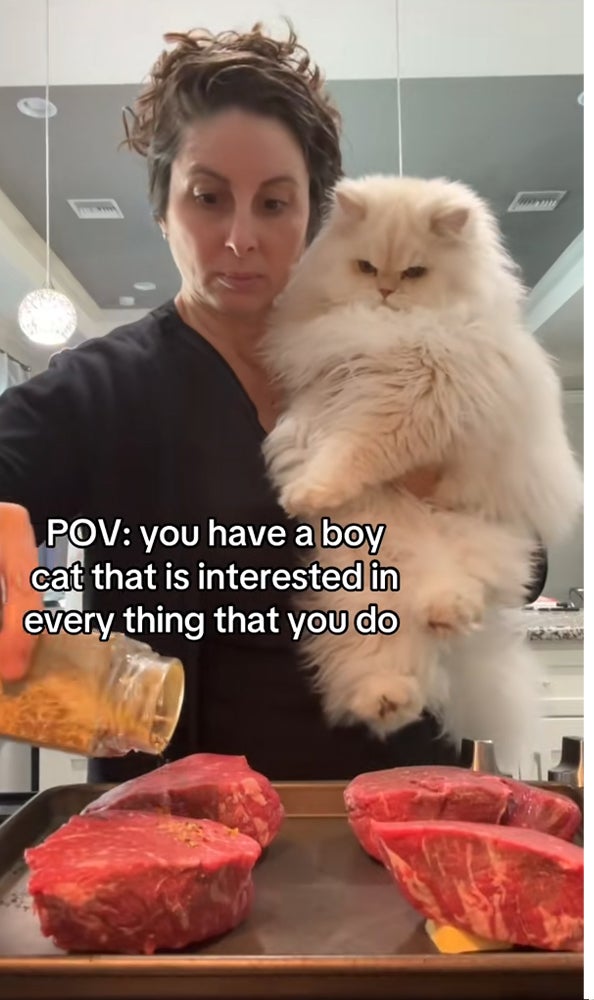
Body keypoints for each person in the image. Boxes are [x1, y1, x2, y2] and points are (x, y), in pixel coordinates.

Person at [0, 25, 541, 781]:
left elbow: (529, 550)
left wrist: (455, 494)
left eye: (275, 203)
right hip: (184, 829)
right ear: (163, 211)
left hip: (409, 795)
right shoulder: (102, 391)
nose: (240, 238)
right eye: (208, 198)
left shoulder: (404, 352)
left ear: (316, 217)